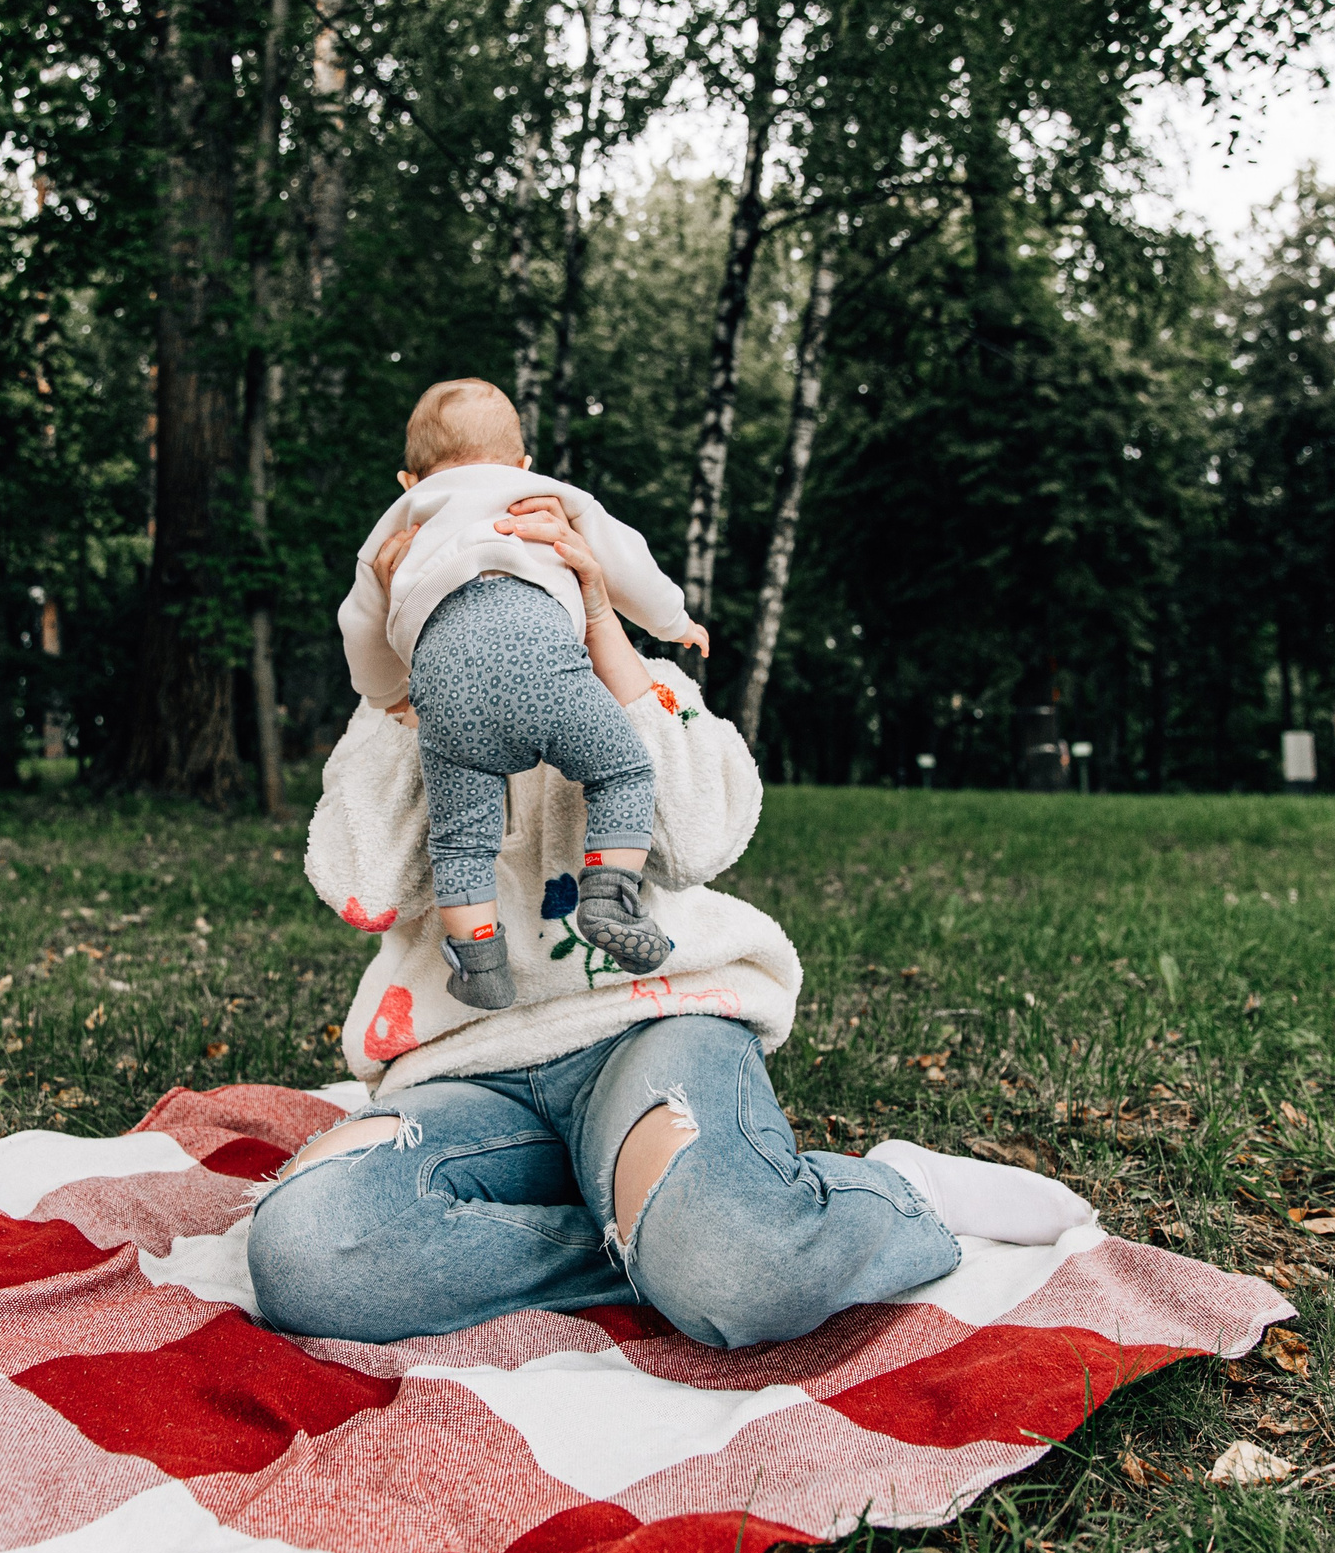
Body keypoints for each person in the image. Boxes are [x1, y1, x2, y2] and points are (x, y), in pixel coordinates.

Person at [252, 488, 1095, 1350]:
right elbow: (367, 886)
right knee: (308, 1250)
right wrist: (408, 675)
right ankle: (651, 1239)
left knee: (746, 1262)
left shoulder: (637, 683)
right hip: (465, 1073)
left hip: (646, 1031)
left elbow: (699, 838)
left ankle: (889, 1190)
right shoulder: (401, 707)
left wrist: (602, 637)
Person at [338, 379, 706, 1011]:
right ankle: (609, 894)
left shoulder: (401, 521)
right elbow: (627, 562)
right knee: (620, 770)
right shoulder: (546, 497)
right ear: (520, 464)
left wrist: (390, 694)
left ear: (408, 478)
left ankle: (480, 961)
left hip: (445, 684)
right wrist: (673, 620)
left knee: (459, 839)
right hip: (543, 657)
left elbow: (361, 625)